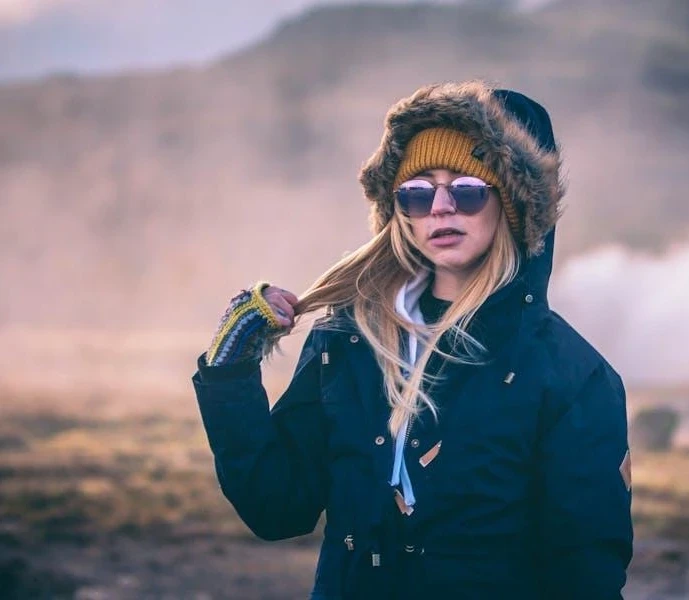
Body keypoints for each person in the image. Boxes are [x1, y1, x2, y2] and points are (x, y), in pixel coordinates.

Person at [192, 80, 632, 599]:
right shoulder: (348, 340)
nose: (441, 207)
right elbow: (276, 508)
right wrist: (231, 369)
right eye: (418, 192)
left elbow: (586, 578)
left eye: (467, 189)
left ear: (513, 203)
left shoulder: (573, 375)